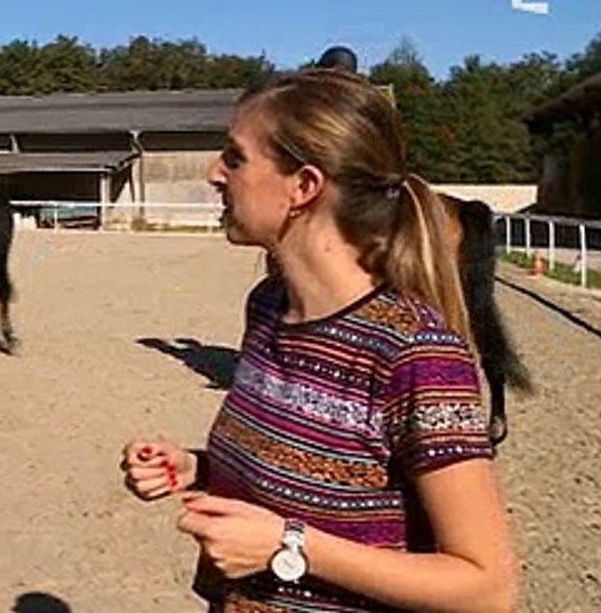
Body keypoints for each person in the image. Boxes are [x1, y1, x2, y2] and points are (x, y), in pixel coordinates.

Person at [120, 68, 518, 612]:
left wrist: (290, 545)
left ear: (303, 187)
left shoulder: (415, 355)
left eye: (235, 157)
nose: (215, 173)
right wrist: (200, 467)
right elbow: (313, 472)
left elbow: (487, 588)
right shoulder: (268, 308)